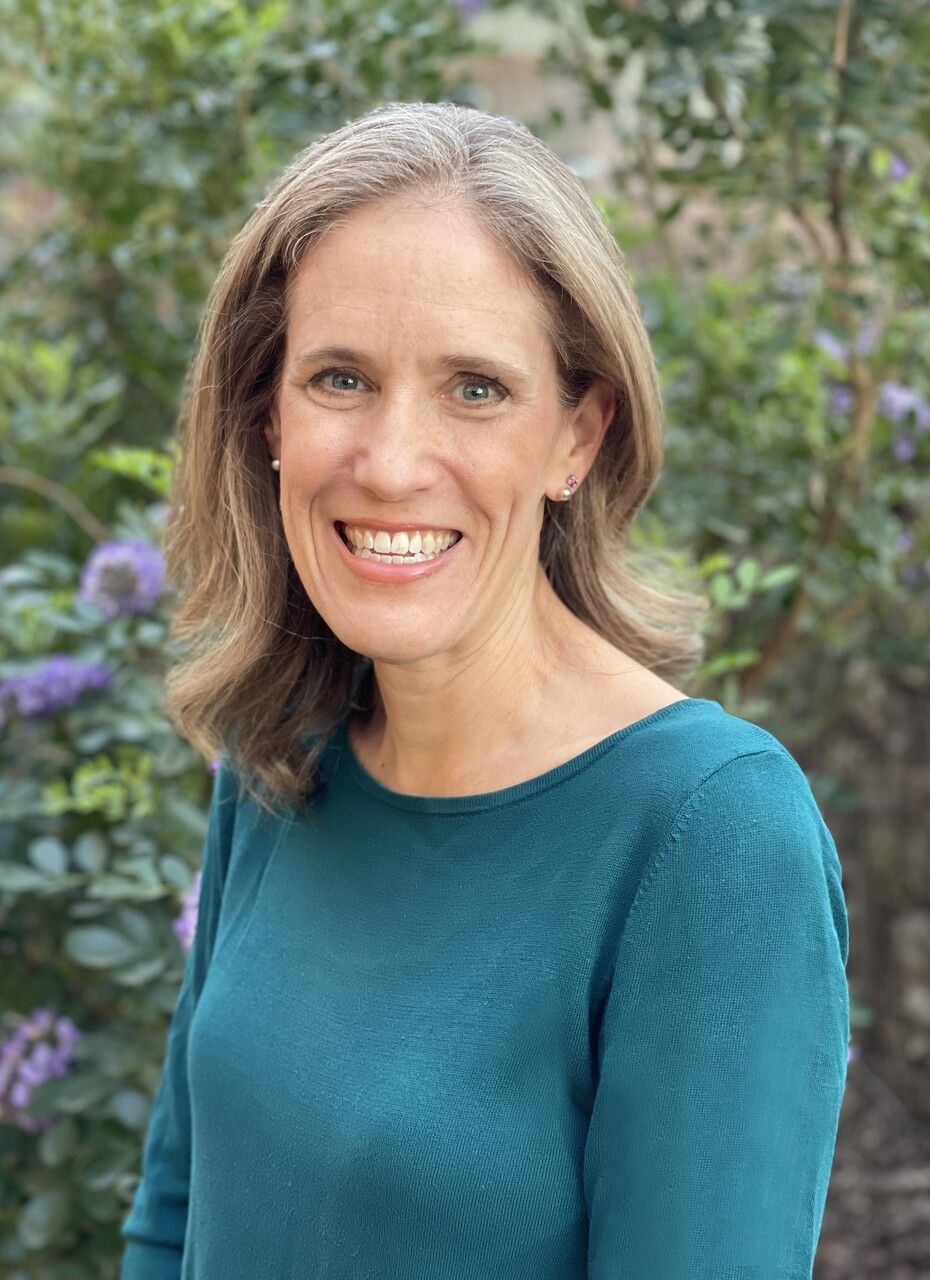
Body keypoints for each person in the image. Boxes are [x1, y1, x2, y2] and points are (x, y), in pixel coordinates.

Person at [119, 101, 850, 1280]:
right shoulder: (279, 755)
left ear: (579, 434)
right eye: (340, 376)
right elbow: (177, 1210)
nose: (394, 461)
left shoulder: (712, 837)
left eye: (475, 389)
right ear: (266, 413)